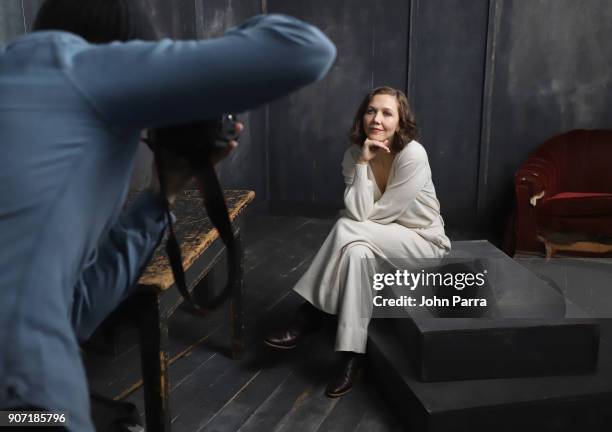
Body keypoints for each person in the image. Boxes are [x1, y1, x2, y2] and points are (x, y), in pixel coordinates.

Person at [0, 1, 336, 430]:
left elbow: (71, 314)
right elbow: (305, 48)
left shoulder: (24, 85)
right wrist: (184, 77)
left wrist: (164, 195)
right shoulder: (75, 65)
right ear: (127, 54)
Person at [265, 86, 451, 397]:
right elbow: (361, 212)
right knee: (355, 253)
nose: (377, 119)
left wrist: (356, 218)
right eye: (371, 111)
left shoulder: (413, 154)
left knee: (345, 227)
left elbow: (379, 214)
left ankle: (309, 313)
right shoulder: (354, 155)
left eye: (387, 113)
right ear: (362, 116)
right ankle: (353, 357)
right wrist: (364, 163)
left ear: (401, 121)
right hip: (375, 239)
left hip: (424, 243)